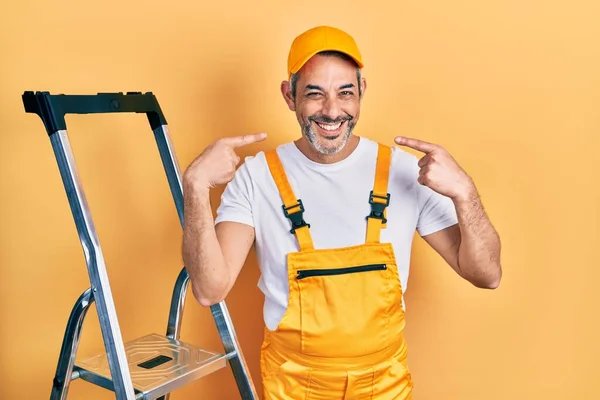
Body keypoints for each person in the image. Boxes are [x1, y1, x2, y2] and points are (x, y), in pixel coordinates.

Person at [181, 25, 502, 400]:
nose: (332, 111)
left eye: (345, 92)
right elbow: (208, 288)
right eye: (315, 94)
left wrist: (465, 193)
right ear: (290, 95)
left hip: (385, 387)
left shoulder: (403, 171)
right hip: (294, 389)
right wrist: (196, 187)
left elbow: (487, 275)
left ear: (361, 91)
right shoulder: (257, 177)